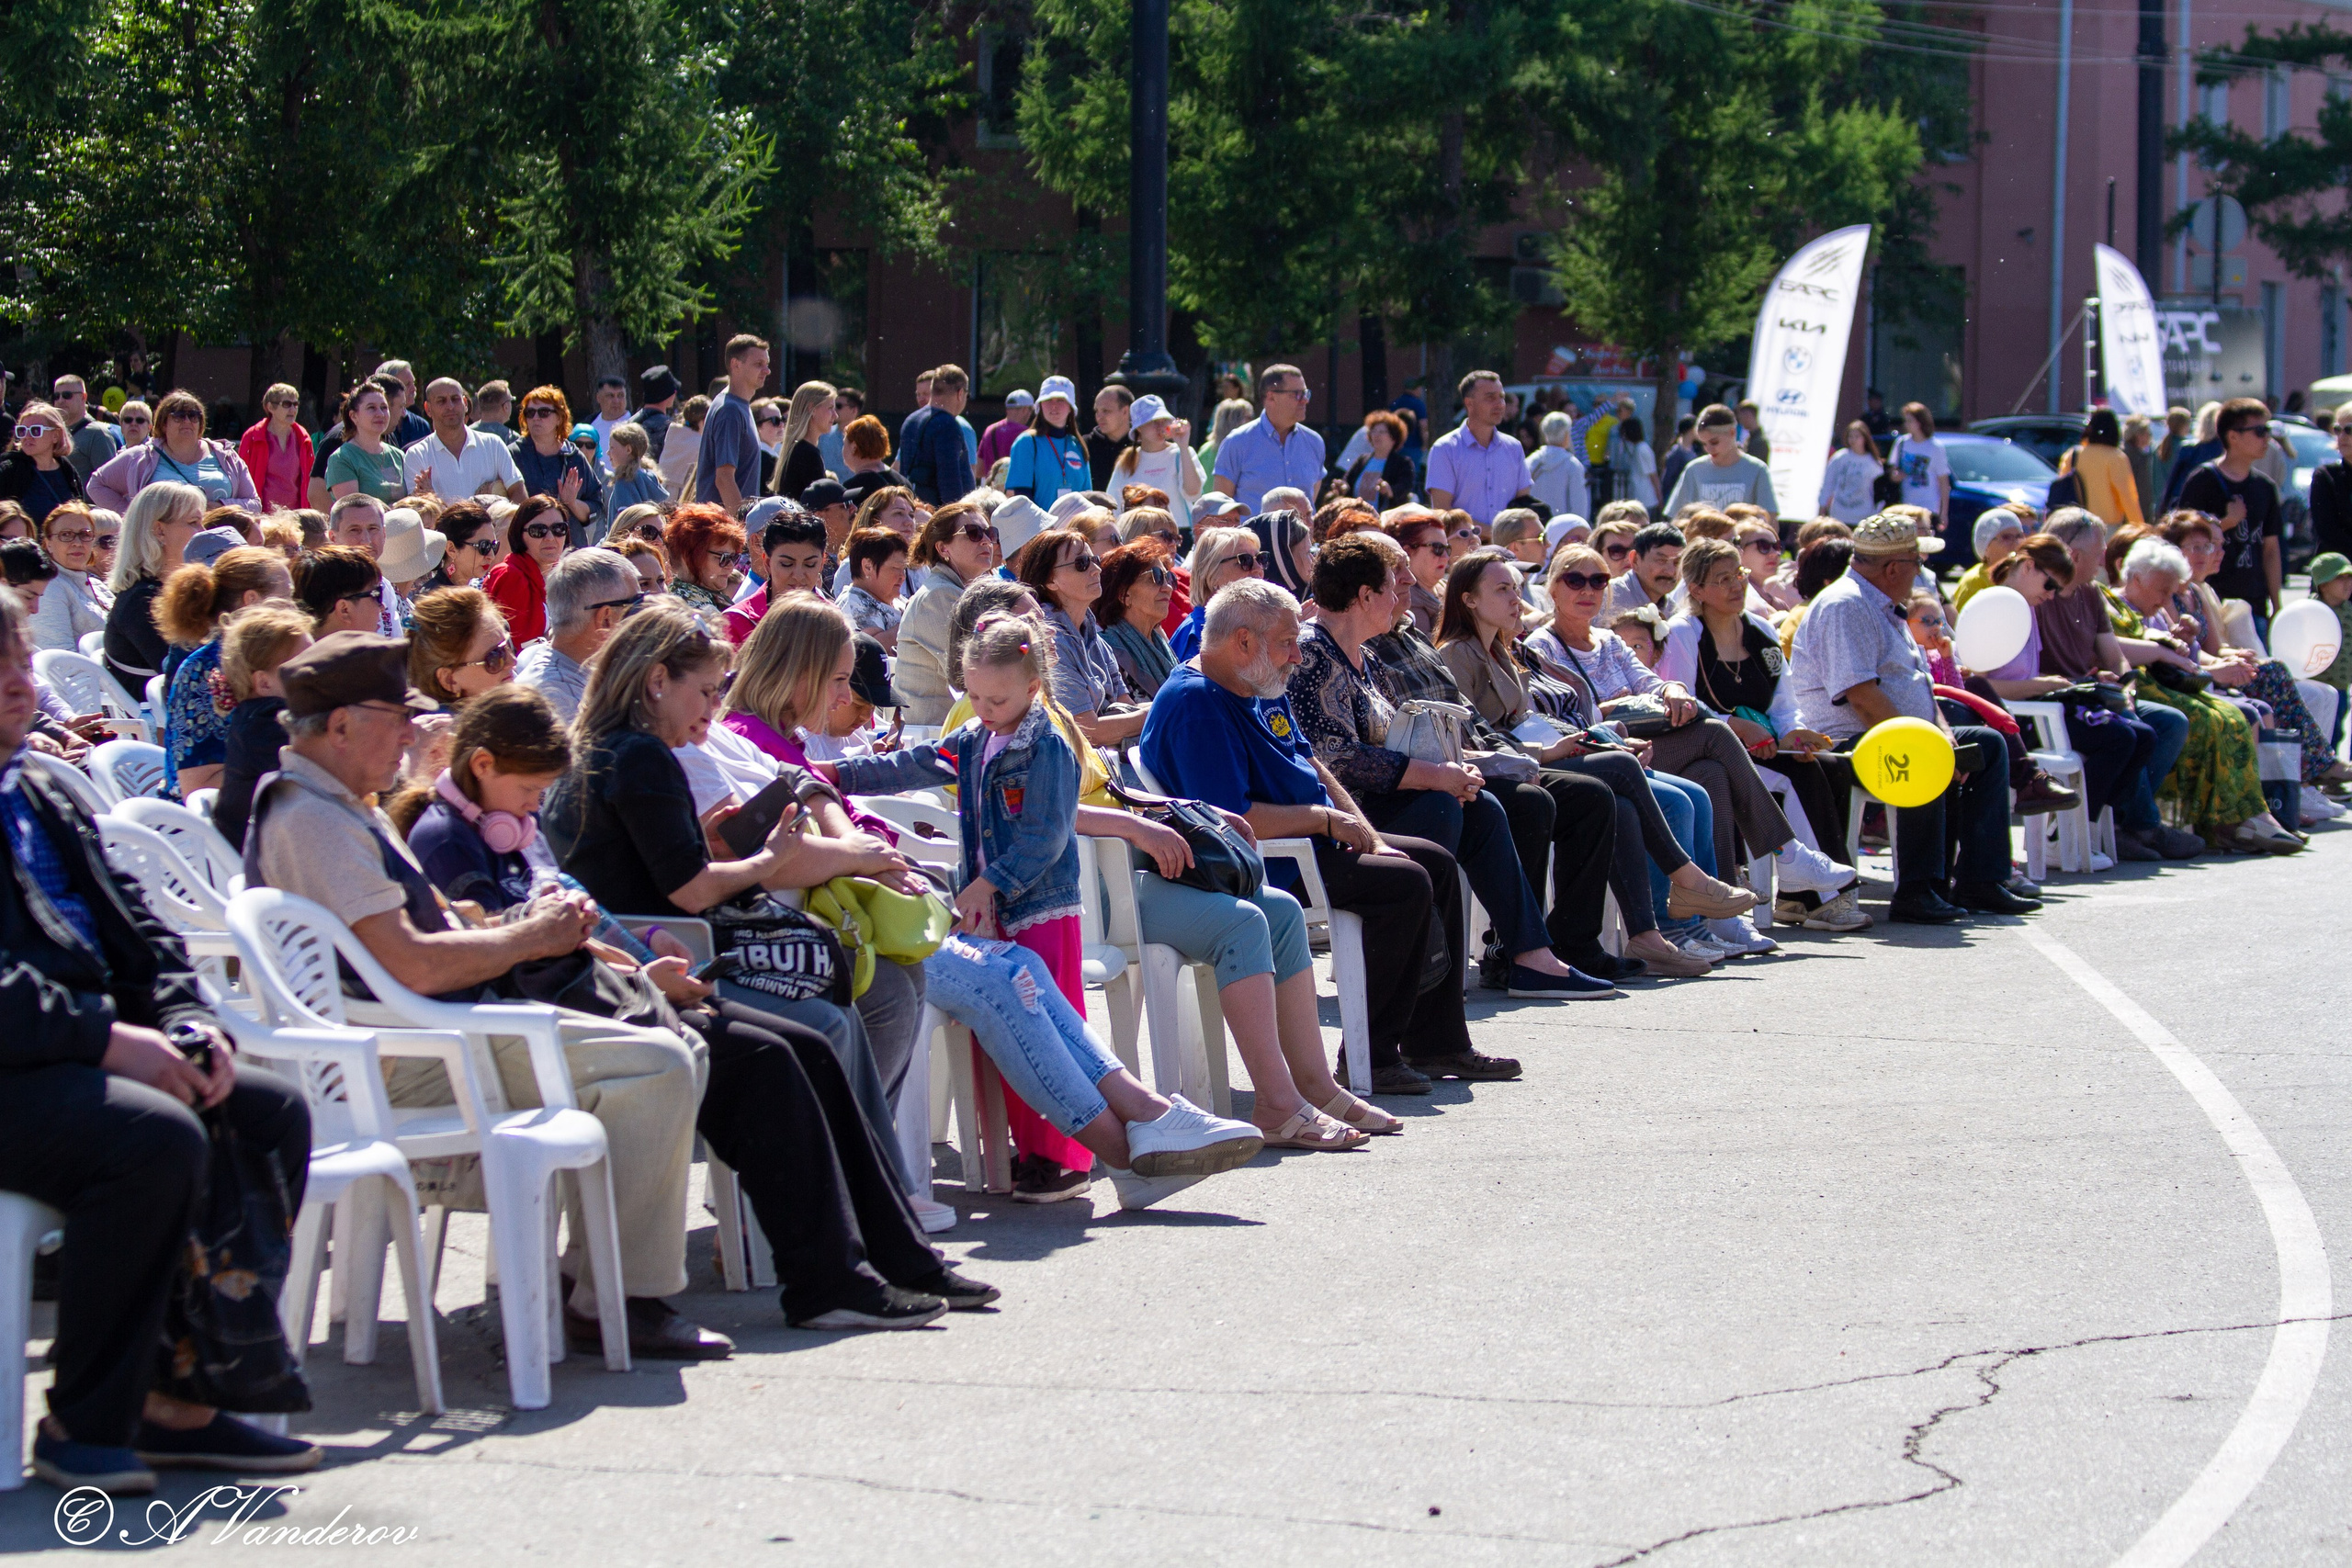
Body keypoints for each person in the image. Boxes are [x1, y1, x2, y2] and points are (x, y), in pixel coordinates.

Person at [405, 685, 988, 1328]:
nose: (536, 807)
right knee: (768, 1060)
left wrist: (645, 966)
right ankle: (823, 1279)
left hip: (615, 994)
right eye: (528, 792)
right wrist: (626, 970)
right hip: (553, 1022)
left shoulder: (510, 827)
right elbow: (501, 953)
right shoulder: (447, 841)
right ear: (482, 766)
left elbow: (580, 921)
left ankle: (900, 1257)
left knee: (811, 1049)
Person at [246, 629, 732, 1359]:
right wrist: (527, 939)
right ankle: (616, 1299)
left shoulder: (341, 803)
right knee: (660, 1061)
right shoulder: (315, 817)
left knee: (676, 1045)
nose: (415, 732)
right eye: (397, 717)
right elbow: (409, 964)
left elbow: (414, 937)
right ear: (341, 724)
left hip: (415, 1031)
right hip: (400, 1054)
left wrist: (515, 926)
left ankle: (595, 1283)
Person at [0, 585, 324, 1495]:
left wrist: (184, 1022)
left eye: (22, 663)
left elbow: (143, 933)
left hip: (75, 1049)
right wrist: (110, 1042)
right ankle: (85, 1420)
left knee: (267, 1111)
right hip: (20, 1064)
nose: (22, 687)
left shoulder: (35, 786)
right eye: (0, 670)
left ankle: (178, 1395)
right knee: (150, 1139)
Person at [1143, 581, 1520, 1093]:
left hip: (1311, 843)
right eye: (1287, 643)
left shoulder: (1254, 683)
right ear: (1243, 642)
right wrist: (1324, 821)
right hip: (1268, 862)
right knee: (1405, 884)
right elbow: (1233, 817)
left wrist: (1364, 830)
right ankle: (1374, 1056)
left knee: (1433, 861)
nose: (1297, 656)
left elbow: (1312, 763)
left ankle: (1439, 1043)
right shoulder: (1197, 703)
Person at [1788, 513, 2031, 920]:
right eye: (1917, 562)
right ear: (1892, 568)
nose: (1922, 571)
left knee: (1987, 745)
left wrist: (1943, 731)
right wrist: (1926, 740)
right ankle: (1917, 890)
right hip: (1843, 744)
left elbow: (1919, 685)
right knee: (1922, 757)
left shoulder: (1882, 604)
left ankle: (1980, 880)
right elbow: (1862, 697)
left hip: (1894, 731)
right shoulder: (1845, 606)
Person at [1654, 538, 1869, 927]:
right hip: (1706, 749)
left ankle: (1801, 894)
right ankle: (1814, 893)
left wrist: (1793, 733)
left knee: (1819, 766)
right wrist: (1734, 725)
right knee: (1792, 779)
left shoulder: (1761, 632)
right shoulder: (1684, 634)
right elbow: (1679, 707)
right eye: (1722, 579)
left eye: (1739, 574)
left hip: (1766, 747)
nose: (1736, 585)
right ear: (1697, 590)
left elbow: (1784, 703)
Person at [156, 547, 293, 796]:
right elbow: (196, 786)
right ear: (252, 600)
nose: (295, 608)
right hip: (206, 822)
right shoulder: (203, 671)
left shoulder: (272, 656)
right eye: (287, 597)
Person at [2175, 397, 2283, 635]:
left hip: (2254, 605)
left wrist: (2277, 604)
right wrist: (2226, 523)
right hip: (2209, 600)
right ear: (2233, 436)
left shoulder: (2265, 487)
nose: (2267, 438)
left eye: (2269, 430)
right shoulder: (2202, 481)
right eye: (2260, 431)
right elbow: (2180, 540)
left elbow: (2271, 549)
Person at [210, 603, 312, 850]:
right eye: (305, 667)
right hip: (264, 867)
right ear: (264, 683)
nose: (320, 673)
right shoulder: (267, 727)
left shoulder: (257, 718)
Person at [897, 501, 1001, 724]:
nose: (986, 540)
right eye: (973, 533)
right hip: (934, 737)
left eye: (990, 533)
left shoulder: (967, 591)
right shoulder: (938, 596)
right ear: (943, 548)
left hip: (962, 727)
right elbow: (975, 673)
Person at [103, 481, 205, 694]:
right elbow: (188, 677)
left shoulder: (176, 591)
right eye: (194, 522)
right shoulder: (141, 601)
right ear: (159, 530)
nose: (203, 532)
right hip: (159, 720)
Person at [89, 390, 261, 514]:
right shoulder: (141, 456)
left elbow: (254, 504)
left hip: (217, 547)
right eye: (178, 415)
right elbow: (96, 484)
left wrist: (220, 506)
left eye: (194, 416)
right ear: (163, 424)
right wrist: (131, 516)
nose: (187, 421)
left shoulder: (226, 456)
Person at [1423, 371, 1533, 526]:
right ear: (1469, 403)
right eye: (1490, 397)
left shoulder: (1513, 448)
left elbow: (1524, 506)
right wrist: (1489, 533)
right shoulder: (1445, 449)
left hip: (1508, 548)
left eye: (1501, 397)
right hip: (1464, 548)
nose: (1499, 404)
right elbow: (1442, 513)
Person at [1212, 365, 1327, 513]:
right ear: (1271, 397)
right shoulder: (1237, 442)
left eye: (1306, 393)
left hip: (1301, 536)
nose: (1305, 400)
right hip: (1253, 536)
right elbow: (1220, 507)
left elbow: (1311, 499)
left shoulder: (1314, 442)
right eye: (1297, 394)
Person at [403, 378, 525, 502]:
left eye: (455, 399)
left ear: (465, 404)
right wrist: (430, 500)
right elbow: (422, 511)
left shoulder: (493, 444)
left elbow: (518, 491)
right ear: (428, 409)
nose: (450, 406)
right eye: (441, 401)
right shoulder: (417, 455)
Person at [724, 508, 827, 646]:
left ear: (822, 563)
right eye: (786, 564)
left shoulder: (834, 622)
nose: (798, 575)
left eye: (810, 564)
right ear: (767, 562)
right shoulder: (737, 621)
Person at [406, 584, 515, 710]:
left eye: (508, 645)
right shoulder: (456, 729)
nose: (512, 661)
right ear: (449, 680)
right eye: (495, 656)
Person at [479, 493, 570, 645]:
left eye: (558, 529)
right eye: (538, 530)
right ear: (520, 534)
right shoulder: (510, 576)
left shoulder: (566, 575)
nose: (550, 537)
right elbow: (517, 647)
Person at [1095, 540, 1181, 699]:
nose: (1168, 587)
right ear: (1124, 595)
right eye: (1156, 577)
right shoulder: (1106, 652)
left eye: (1168, 577)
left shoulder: (1160, 644)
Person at [1167, 525, 1266, 660]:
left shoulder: (1245, 624)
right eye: (1245, 560)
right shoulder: (1198, 638)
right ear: (1212, 575)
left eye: (1261, 559)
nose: (1258, 568)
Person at [1663, 404, 1777, 517]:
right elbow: (1676, 519)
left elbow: (1770, 521)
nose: (1708, 449)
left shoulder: (1757, 469)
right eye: (1703, 443)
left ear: (1732, 433)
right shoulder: (1694, 469)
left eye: (1714, 442)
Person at [27, 502, 111, 651]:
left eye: (85, 535)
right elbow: (59, 660)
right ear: (48, 543)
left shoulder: (95, 583)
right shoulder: (49, 589)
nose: (77, 543)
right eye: (66, 535)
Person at [1004, 375, 1089, 509]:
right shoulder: (1026, 442)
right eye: (1048, 399)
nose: (1054, 406)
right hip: (1040, 528)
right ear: (1040, 405)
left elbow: (1087, 496)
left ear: (1071, 407)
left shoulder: (1077, 445)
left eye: (1061, 400)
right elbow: (1021, 499)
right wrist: (1047, 526)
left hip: (1075, 528)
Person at [0, 401, 89, 525]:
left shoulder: (68, 471)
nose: (27, 436)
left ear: (56, 435)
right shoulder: (8, 471)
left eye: (35, 430)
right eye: (22, 430)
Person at [899, 364, 973, 504]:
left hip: (912, 506)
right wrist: (956, 517)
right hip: (938, 514)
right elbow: (949, 480)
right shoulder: (947, 424)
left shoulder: (911, 421)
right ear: (960, 393)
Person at [322, 382, 408, 503]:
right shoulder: (342, 459)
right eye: (371, 408)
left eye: (384, 407)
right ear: (353, 416)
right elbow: (355, 511)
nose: (380, 414)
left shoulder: (399, 456)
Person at [236, 385, 312, 512]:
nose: (293, 409)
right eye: (287, 404)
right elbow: (240, 480)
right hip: (261, 517)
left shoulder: (303, 438)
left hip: (296, 517)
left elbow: (310, 482)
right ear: (270, 407)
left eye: (296, 404)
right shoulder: (252, 437)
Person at [1884, 401, 1952, 536]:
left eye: (1910, 421)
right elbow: (1891, 472)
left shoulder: (1935, 447)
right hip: (1906, 505)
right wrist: (1896, 475)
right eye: (1906, 421)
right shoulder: (1902, 443)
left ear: (1920, 422)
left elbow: (1944, 482)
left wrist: (1944, 513)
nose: (1906, 424)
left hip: (1928, 506)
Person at [837, 526, 909, 651]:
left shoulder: (896, 599)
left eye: (904, 569)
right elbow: (873, 648)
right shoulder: (853, 602)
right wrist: (911, 619)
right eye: (896, 568)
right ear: (868, 567)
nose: (902, 576)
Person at [2071, 408, 2143, 527]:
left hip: (2075, 524)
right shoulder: (2117, 457)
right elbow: (2128, 497)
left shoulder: (2073, 455)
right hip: (2106, 526)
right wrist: (2139, 527)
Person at [1951, 507, 2027, 612]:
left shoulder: (2024, 576)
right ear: (1986, 546)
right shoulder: (1974, 581)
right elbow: (1961, 623)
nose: (2016, 543)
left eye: (2019, 536)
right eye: (2006, 537)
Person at [770, 381, 836, 501]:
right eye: (830, 408)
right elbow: (821, 504)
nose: (835, 415)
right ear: (812, 408)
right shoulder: (807, 454)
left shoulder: (797, 449)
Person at [422, 498, 504, 592]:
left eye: (494, 546)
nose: (491, 556)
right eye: (484, 546)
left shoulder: (477, 591)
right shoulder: (434, 600)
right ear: (451, 549)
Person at [53, 374, 123, 482]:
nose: (60, 400)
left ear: (83, 397)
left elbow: (110, 483)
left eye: (67, 395)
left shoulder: (98, 433)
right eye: (57, 396)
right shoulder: (53, 433)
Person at [1817, 420, 1884, 525]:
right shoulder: (1839, 458)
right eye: (1850, 436)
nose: (1853, 440)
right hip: (1839, 514)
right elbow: (1828, 483)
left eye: (1857, 436)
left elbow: (1879, 491)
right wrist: (1822, 506)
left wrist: (1876, 514)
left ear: (1865, 438)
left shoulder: (1873, 462)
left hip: (1863, 516)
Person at [1527, 410, 1589, 521]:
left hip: (1534, 525)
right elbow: (1578, 505)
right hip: (1562, 529)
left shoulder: (1531, 461)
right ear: (1566, 434)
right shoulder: (1572, 465)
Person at [2311, 409, 2352, 560]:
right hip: (2337, 572)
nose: (2342, 436)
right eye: (2337, 429)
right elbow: (2327, 530)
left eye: (2349, 430)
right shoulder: (2326, 476)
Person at [630, 365, 681, 463]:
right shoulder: (669, 427)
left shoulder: (629, 423)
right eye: (674, 390)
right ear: (667, 395)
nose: (675, 394)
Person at [977, 389, 1033, 476]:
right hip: (1017, 488)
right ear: (1025, 409)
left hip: (992, 488)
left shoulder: (990, 430)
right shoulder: (1028, 434)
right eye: (1031, 410)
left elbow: (979, 470)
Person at [659, 394, 707, 497]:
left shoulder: (673, 435)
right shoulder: (700, 444)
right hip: (681, 497)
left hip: (662, 494)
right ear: (705, 420)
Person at [1736, 398, 1770, 463]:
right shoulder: (1751, 437)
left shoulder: (1760, 441)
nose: (1741, 422)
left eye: (1741, 418)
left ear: (1749, 415)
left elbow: (1753, 464)